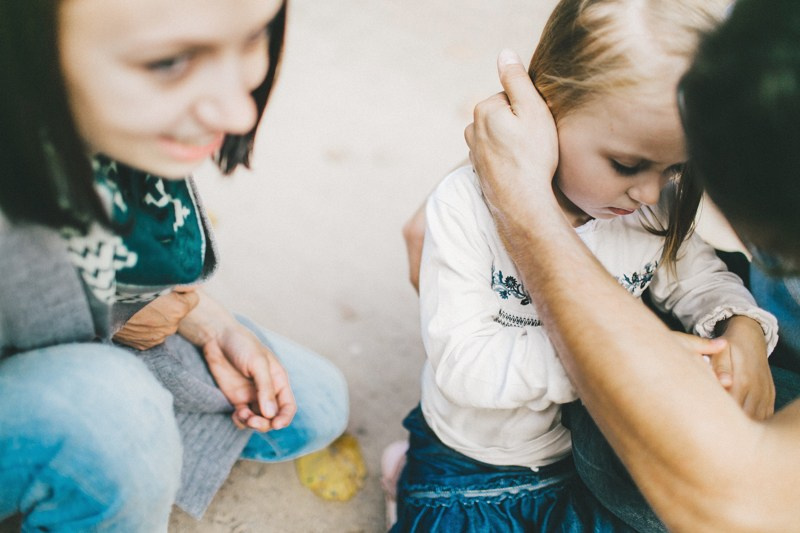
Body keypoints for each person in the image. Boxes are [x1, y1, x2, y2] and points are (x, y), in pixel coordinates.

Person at [389, 0, 778, 531]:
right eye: (626, 164)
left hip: (579, 452)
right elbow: (465, 366)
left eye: (675, 168)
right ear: (545, 107)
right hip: (476, 457)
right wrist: (629, 358)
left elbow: (700, 277)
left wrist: (744, 326)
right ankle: (405, 475)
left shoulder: (647, 209)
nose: (646, 191)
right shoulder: (464, 209)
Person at [0, 0, 348, 530]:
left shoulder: (74, 112)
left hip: (74, 346)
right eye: (168, 63)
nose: (240, 112)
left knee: (314, 405)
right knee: (113, 413)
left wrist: (206, 319)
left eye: (254, 36)